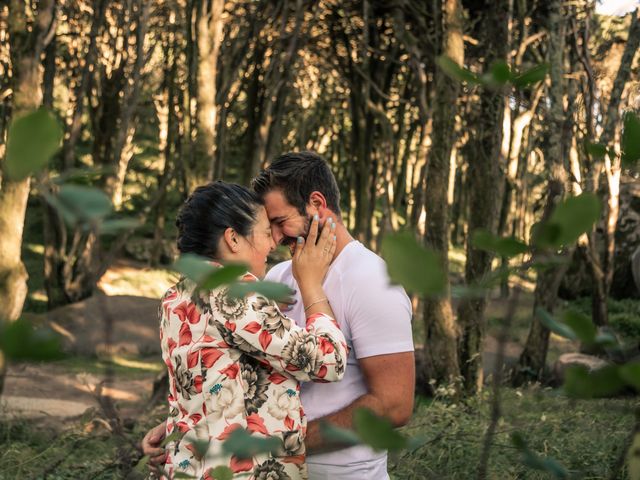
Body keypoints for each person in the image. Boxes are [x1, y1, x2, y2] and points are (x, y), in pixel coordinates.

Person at [144, 152, 415, 479]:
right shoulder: (274, 279)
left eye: (279, 221)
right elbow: (232, 371)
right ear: (232, 238)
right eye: (266, 226)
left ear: (316, 204)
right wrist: (194, 422)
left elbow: (396, 406)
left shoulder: (373, 281)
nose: (273, 238)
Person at [155, 181, 348, 479]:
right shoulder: (234, 294)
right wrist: (311, 284)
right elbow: (329, 361)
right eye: (264, 233)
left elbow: (205, 390)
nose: (273, 243)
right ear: (233, 238)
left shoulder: (174, 298)